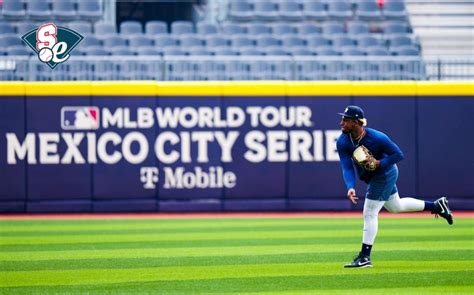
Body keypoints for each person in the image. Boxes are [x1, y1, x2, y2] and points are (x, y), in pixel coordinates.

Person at [336, 105, 453, 268]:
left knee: (369, 212)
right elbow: (346, 166)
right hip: (372, 177)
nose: (341, 122)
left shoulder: (377, 138)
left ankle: (365, 257)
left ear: (356, 122)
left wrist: (379, 163)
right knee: (395, 206)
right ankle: (437, 206)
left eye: (345, 120)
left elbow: (398, 154)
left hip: (384, 174)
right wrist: (350, 186)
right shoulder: (343, 141)